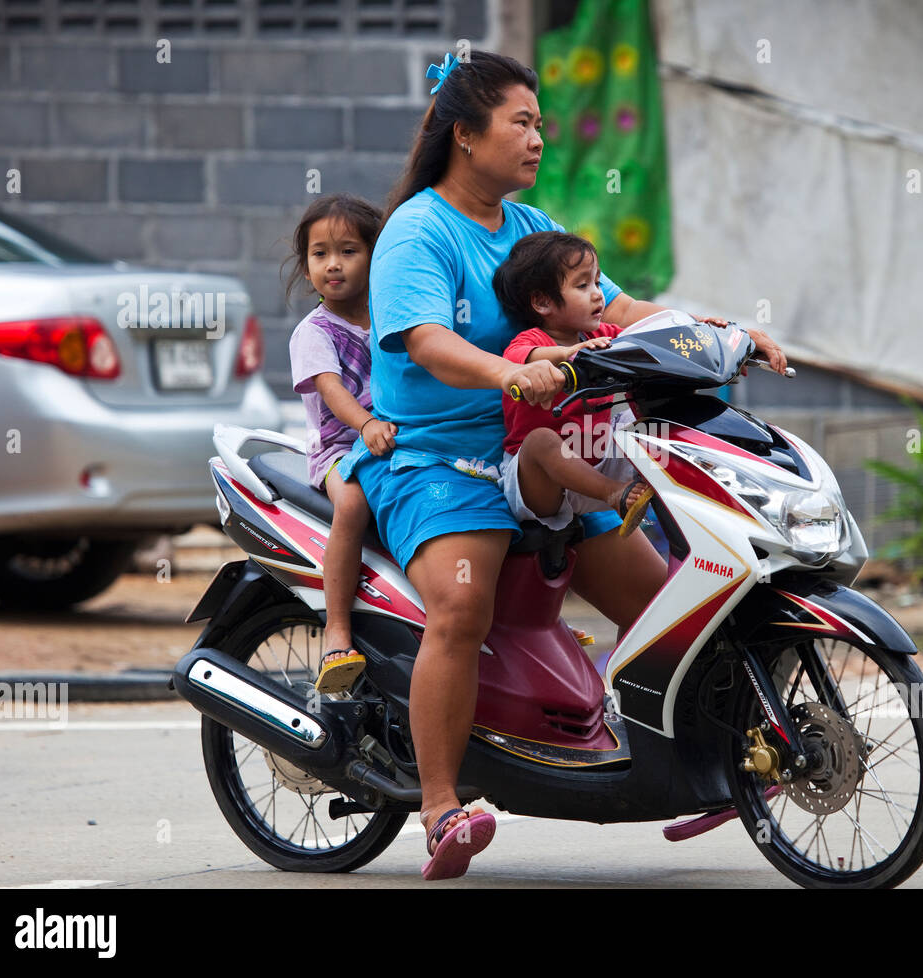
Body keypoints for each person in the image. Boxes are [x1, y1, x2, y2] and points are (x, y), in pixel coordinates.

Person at [335, 49, 787, 880]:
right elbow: (427, 341)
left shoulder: (535, 230)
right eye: (522, 123)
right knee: (461, 612)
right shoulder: (417, 232)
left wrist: (722, 331)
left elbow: (615, 307)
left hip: (544, 457)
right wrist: (509, 371)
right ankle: (440, 809)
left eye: (540, 123)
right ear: (466, 136)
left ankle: (713, 765)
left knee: (668, 606)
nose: (538, 138)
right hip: (437, 460)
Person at [285, 193, 396, 694]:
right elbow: (331, 389)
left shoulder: (394, 315)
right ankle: (337, 628)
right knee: (351, 505)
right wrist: (367, 425)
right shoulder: (314, 332)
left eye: (349, 251)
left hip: (399, 439)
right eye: (320, 253)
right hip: (340, 449)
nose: (333, 265)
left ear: (376, 254)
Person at [493, 230, 654, 537]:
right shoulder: (534, 340)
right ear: (542, 303)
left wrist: (698, 328)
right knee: (540, 441)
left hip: (595, 459)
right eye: (583, 285)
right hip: (543, 484)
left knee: (651, 421)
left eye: (597, 281)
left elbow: (646, 337)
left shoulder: (600, 335)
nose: (597, 293)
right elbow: (518, 357)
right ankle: (613, 493)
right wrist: (566, 354)